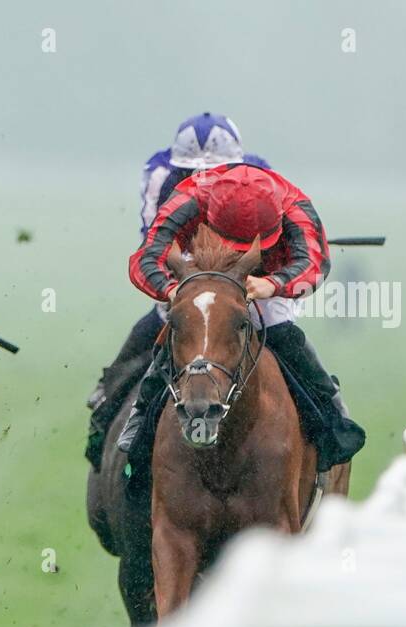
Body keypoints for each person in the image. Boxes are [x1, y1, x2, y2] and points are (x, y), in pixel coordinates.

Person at [121, 163, 366, 473]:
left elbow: (314, 265)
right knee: (184, 328)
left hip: (267, 278)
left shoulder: (294, 206)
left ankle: (331, 414)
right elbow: (145, 259)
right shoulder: (188, 198)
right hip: (204, 268)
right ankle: (140, 417)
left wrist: (273, 284)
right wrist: (172, 291)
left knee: (280, 329)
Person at [86, 113, 269, 468]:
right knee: (136, 352)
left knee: (287, 339)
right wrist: (181, 284)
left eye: (216, 173)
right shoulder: (159, 175)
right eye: (192, 174)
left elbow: (270, 237)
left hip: (241, 289)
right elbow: (153, 244)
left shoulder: (261, 177)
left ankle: (330, 417)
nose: (203, 181)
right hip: (184, 285)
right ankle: (106, 417)